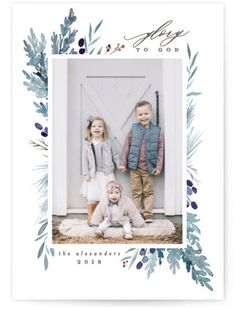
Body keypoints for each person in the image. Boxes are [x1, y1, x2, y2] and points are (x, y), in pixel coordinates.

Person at [119, 100, 164, 223]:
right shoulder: (134, 129)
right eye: (140, 114)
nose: (143, 117)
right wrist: (122, 163)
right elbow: (126, 146)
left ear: (151, 113)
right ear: (136, 116)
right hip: (134, 168)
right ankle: (136, 213)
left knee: (148, 191)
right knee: (136, 192)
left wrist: (159, 166)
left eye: (146, 114)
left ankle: (148, 213)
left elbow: (161, 150)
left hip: (149, 168)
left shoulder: (157, 131)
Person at [80, 116, 120, 225]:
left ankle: (106, 216)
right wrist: (85, 173)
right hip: (93, 174)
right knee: (92, 196)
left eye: (100, 126)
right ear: (90, 129)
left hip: (107, 174)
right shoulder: (87, 144)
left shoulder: (108, 143)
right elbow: (84, 160)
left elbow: (115, 155)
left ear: (104, 130)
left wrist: (119, 164)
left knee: (106, 196)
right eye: (94, 126)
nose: (97, 128)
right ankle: (91, 216)